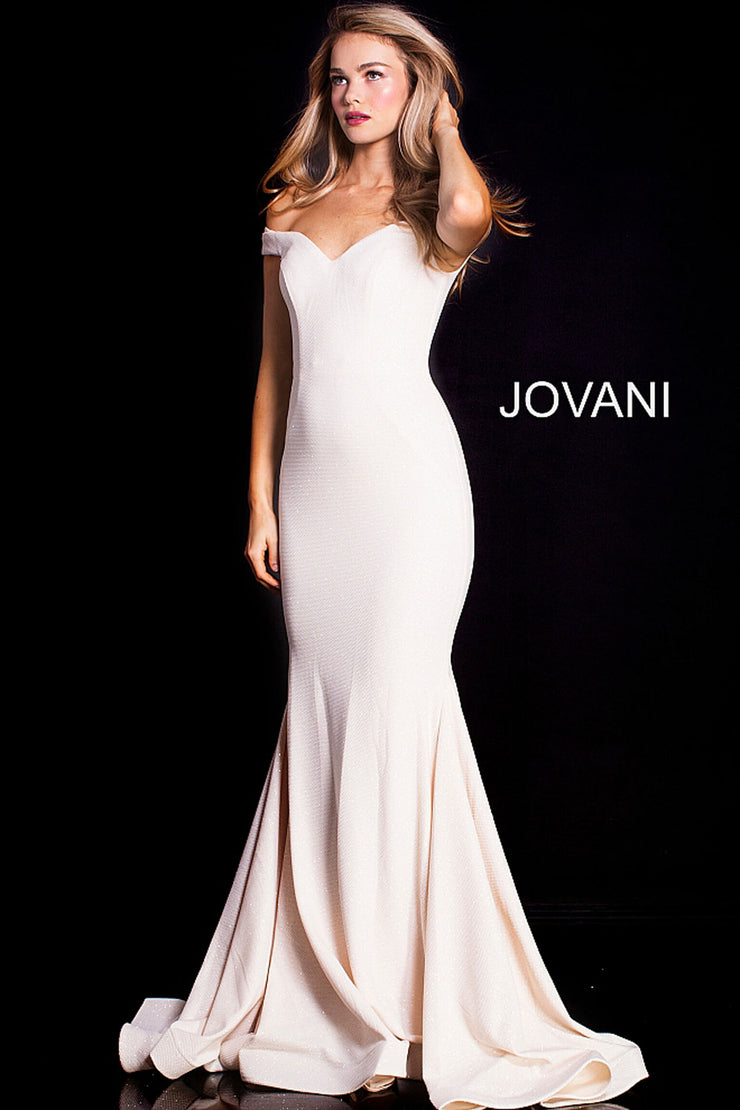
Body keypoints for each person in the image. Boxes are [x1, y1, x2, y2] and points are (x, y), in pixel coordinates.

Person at [120, 5, 648, 1107]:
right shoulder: (289, 208)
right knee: (321, 716)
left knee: (399, 713)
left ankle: (404, 995)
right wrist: (259, 500)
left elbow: (468, 210)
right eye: (340, 78)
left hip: (410, 498)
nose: (355, 94)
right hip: (315, 498)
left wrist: (445, 126)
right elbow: (275, 368)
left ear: (413, 91)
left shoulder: (429, 207)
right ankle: (323, 988)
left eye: (377, 76)